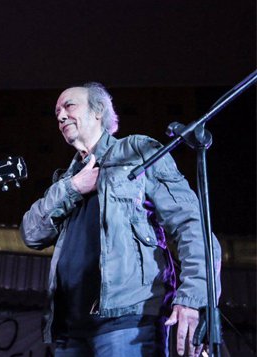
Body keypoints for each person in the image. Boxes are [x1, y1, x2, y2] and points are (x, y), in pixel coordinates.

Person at [21, 83, 221, 357]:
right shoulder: (67, 180)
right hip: (70, 329)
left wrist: (194, 297)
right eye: (56, 111)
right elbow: (31, 234)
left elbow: (192, 224)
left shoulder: (136, 151)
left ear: (98, 111)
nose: (60, 116)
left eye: (69, 106)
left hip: (128, 321)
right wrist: (73, 188)